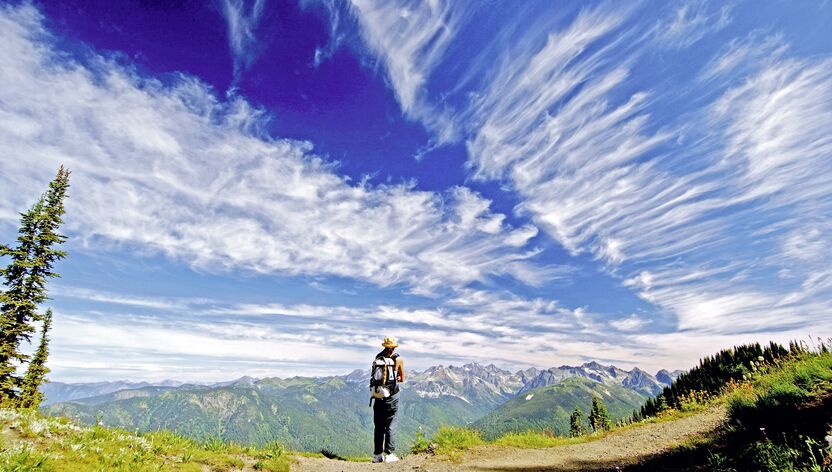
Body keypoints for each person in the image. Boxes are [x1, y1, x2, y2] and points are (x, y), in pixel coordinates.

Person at [371, 336, 405, 463]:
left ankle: (377, 455)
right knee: (391, 424)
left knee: (379, 426)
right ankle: (389, 454)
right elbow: (402, 378)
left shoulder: (378, 358)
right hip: (392, 396)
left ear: (384, 346)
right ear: (394, 347)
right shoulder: (399, 359)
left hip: (379, 396)